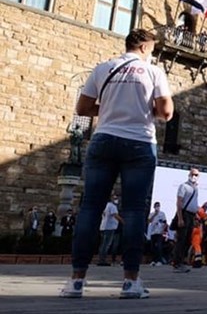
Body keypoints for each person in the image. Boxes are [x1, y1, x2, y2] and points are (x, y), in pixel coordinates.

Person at [60, 28, 173, 299]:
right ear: (145, 48)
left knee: (89, 209)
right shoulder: (153, 71)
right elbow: (166, 112)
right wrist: (146, 109)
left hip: (104, 140)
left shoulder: (103, 67)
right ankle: (130, 281)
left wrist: (109, 107)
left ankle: (76, 281)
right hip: (139, 143)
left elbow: (82, 108)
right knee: (134, 211)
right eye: (153, 49)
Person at [171, 168, 200, 273]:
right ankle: (176, 263)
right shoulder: (184, 186)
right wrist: (180, 218)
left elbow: (194, 203)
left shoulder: (196, 188)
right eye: (193, 174)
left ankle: (182, 261)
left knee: (188, 240)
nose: (194, 176)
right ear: (189, 174)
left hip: (191, 216)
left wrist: (196, 216)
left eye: (196, 175)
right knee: (181, 239)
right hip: (184, 214)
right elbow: (179, 202)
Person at [147, 202, 167, 266]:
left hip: (159, 232)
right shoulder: (151, 214)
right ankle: (153, 260)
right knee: (153, 247)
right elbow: (149, 221)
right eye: (156, 206)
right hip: (153, 232)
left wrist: (163, 230)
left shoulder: (162, 214)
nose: (157, 207)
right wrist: (154, 214)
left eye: (158, 206)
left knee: (159, 246)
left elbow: (165, 222)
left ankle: (159, 260)